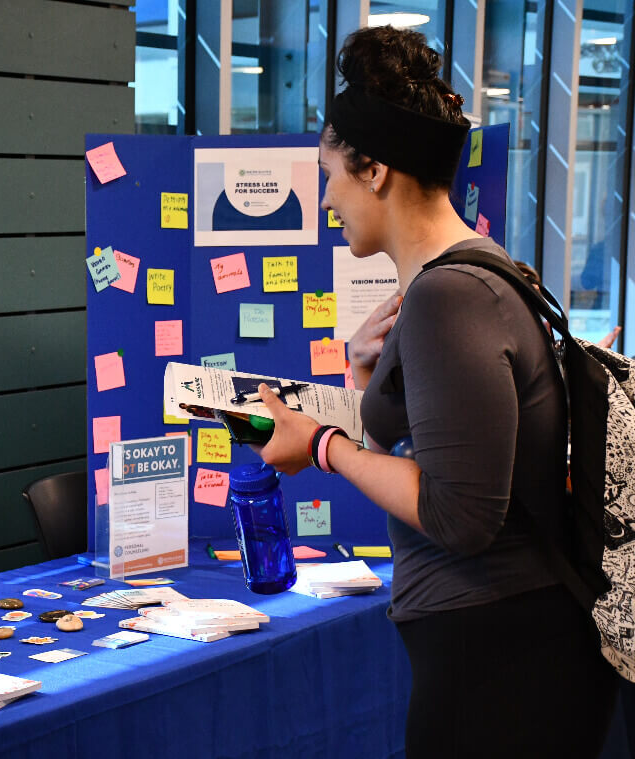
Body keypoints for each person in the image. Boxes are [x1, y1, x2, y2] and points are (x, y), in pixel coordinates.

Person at [253, 26, 618, 757]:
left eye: (331, 174)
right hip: (506, 641)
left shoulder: (447, 297)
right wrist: (362, 380)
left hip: (502, 660)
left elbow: (461, 513)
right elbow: (444, 451)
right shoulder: (476, 273)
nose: (326, 198)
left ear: (376, 169)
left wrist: (321, 446)